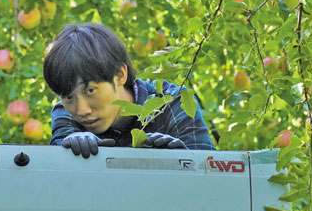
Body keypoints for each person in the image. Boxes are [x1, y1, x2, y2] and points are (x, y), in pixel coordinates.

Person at [43, 23, 216, 157]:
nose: (82, 111)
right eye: (68, 97)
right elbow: (58, 176)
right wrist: (68, 152)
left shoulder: (172, 101)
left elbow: (210, 176)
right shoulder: (65, 112)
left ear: (120, 75)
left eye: (90, 91)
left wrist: (182, 161)